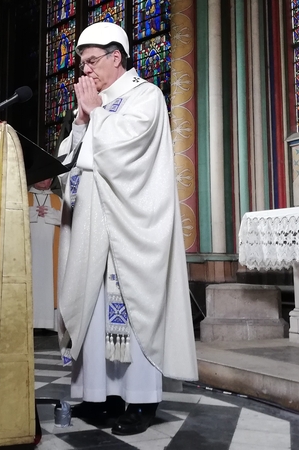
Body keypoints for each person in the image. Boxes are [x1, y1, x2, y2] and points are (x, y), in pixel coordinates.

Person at [54, 22, 197, 436]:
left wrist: (94, 113)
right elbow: (71, 163)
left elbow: (125, 152)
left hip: (130, 230)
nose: (87, 72)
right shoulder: (96, 105)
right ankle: (100, 398)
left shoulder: (145, 96)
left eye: (93, 61)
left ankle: (141, 401)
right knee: (96, 313)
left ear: (117, 57)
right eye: (82, 65)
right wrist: (81, 122)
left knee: (132, 310)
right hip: (92, 229)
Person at [28, 178, 62, 331]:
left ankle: (50, 324)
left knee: (50, 282)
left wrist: (54, 214)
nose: (43, 180)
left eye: (48, 177)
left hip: (51, 256)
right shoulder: (23, 196)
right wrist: (31, 213)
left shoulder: (58, 200)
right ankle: (29, 323)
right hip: (30, 255)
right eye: (41, 176)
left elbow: (71, 220)